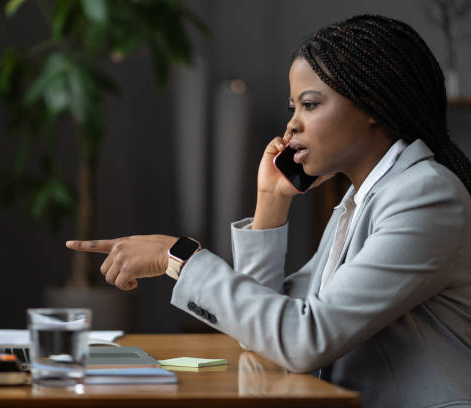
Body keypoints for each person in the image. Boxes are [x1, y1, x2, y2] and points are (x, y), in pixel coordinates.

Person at [66, 14, 471, 408]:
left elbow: (304, 340)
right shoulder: (361, 200)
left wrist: (177, 258)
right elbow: (264, 333)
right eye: (292, 106)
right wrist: (271, 200)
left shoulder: (424, 196)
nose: (291, 126)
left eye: (309, 104)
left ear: (372, 105)